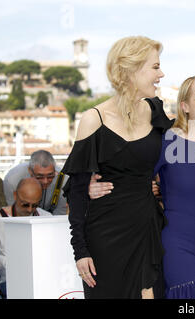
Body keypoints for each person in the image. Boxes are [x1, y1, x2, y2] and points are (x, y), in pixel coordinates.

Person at [91, 72, 195, 299]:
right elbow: (128, 172)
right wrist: (92, 184)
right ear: (185, 106)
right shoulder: (167, 141)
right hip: (178, 246)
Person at [61, 36, 173, 299]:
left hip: (148, 229)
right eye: (155, 67)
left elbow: (174, 157)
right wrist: (81, 251)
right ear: (131, 70)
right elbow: (75, 192)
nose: (162, 74)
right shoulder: (94, 120)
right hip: (106, 238)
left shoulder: (156, 110)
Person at [0, 177, 52, 299]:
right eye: (25, 204)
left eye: (35, 205)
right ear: (15, 195)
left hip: (41, 279)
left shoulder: (46, 217)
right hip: (8, 280)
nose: (30, 209)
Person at [3, 150, 68, 215]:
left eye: (50, 176)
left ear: (55, 170)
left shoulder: (63, 179)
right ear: (30, 171)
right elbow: (11, 212)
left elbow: (61, 211)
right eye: (40, 176)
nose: (45, 181)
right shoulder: (12, 180)